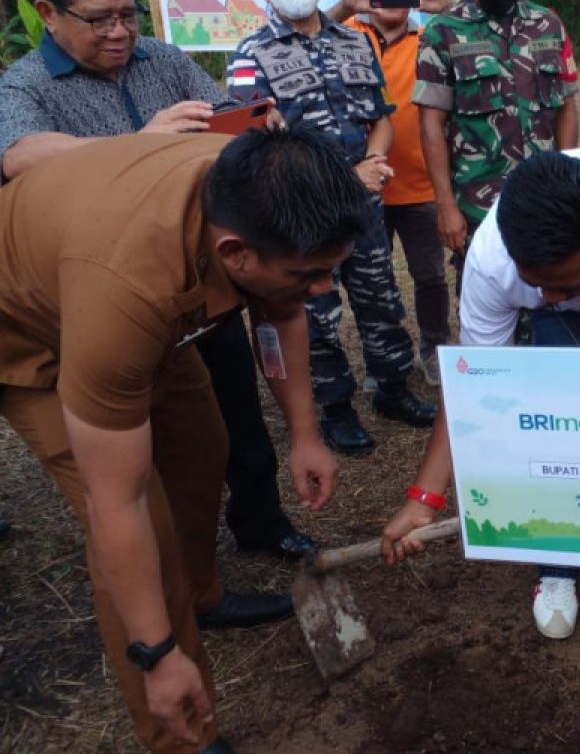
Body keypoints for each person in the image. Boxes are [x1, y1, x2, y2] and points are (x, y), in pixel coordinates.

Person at [0, 127, 367, 752]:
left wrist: (305, 433)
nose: (324, 289)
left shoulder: (253, 191)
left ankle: (199, 597)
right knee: (142, 517)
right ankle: (180, 730)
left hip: (138, 314)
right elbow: (117, 500)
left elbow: (280, 313)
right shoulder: (131, 284)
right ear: (232, 253)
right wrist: (159, 651)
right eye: (309, 274)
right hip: (35, 337)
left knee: (203, 450)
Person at [0, 0, 317, 559]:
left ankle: (262, 523)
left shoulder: (164, 60)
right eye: (99, 20)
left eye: (127, 15)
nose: (119, 32)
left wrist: (249, 125)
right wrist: (138, 147)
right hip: (109, 288)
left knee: (233, 422)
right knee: (134, 446)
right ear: (48, 14)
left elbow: (219, 112)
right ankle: (165, 562)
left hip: (199, 264)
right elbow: (20, 156)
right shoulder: (23, 85)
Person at [379, 149, 580, 640]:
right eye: (540, 287)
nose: (552, 299)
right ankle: (558, 565)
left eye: (565, 284)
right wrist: (425, 496)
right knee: (555, 428)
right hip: (573, 280)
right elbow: (474, 385)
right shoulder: (493, 259)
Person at [230, 0, 436, 455]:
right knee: (315, 312)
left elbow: (381, 117)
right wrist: (344, 179)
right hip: (300, 213)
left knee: (379, 297)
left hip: (362, 204)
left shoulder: (353, 41)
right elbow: (251, 136)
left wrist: (372, 160)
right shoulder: (250, 54)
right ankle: (336, 407)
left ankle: (392, 388)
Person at [328, 0, 455, 386]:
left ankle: (435, 347)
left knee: (430, 276)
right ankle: (382, 359)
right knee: (371, 282)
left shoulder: (435, 34)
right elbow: (299, 37)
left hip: (421, 183)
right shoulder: (343, 33)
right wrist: (346, 7)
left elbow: (482, 34)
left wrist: (450, 6)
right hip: (363, 184)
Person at [413, 0, 579, 284]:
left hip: (543, 199)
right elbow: (430, 123)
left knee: (550, 298)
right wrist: (446, 206)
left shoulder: (548, 24)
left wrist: (566, 182)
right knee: (485, 307)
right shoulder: (442, 32)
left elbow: (566, 108)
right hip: (478, 207)